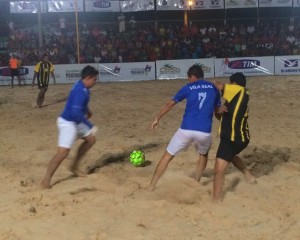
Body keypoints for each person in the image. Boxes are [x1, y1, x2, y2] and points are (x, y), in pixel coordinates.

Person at [146, 65, 221, 191]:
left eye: (188, 78)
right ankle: (196, 183)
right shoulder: (213, 88)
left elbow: (170, 103)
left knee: (167, 156)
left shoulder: (189, 87)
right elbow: (217, 111)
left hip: (186, 130)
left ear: (192, 76)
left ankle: (151, 185)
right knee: (203, 155)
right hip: (204, 132)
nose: (188, 80)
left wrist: (157, 118)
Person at [41, 65, 99, 189]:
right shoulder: (80, 91)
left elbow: (78, 106)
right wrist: (90, 124)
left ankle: (74, 167)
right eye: (94, 79)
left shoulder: (82, 86)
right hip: (68, 123)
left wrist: (87, 112)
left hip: (76, 122)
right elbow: (75, 113)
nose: (95, 82)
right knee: (63, 153)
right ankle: (46, 180)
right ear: (88, 78)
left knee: (91, 140)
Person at [212, 72, 256, 202]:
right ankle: (248, 175)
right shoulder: (237, 99)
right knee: (230, 156)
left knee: (218, 170)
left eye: (230, 83)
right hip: (241, 138)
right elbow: (221, 117)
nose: (229, 85)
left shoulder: (238, 90)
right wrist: (218, 110)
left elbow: (216, 84)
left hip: (231, 138)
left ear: (235, 83)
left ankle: (216, 201)